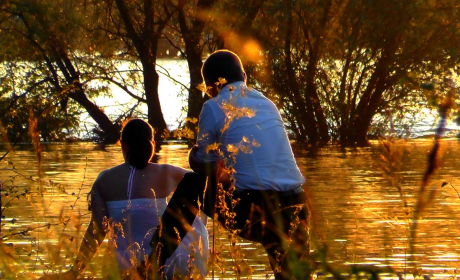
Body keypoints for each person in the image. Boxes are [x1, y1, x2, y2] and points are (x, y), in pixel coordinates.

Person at [148, 50, 309, 280]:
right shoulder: (268, 104)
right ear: (243, 75)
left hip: (257, 210)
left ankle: (151, 267)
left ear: (211, 85)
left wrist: (195, 154)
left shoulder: (214, 106)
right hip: (296, 206)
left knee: (192, 185)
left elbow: (203, 163)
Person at [66, 119, 209, 279]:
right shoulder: (166, 173)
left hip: (121, 269)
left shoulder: (104, 180)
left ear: (123, 145)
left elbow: (96, 231)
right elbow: (205, 185)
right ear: (152, 145)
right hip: (164, 266)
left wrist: (75, 271)